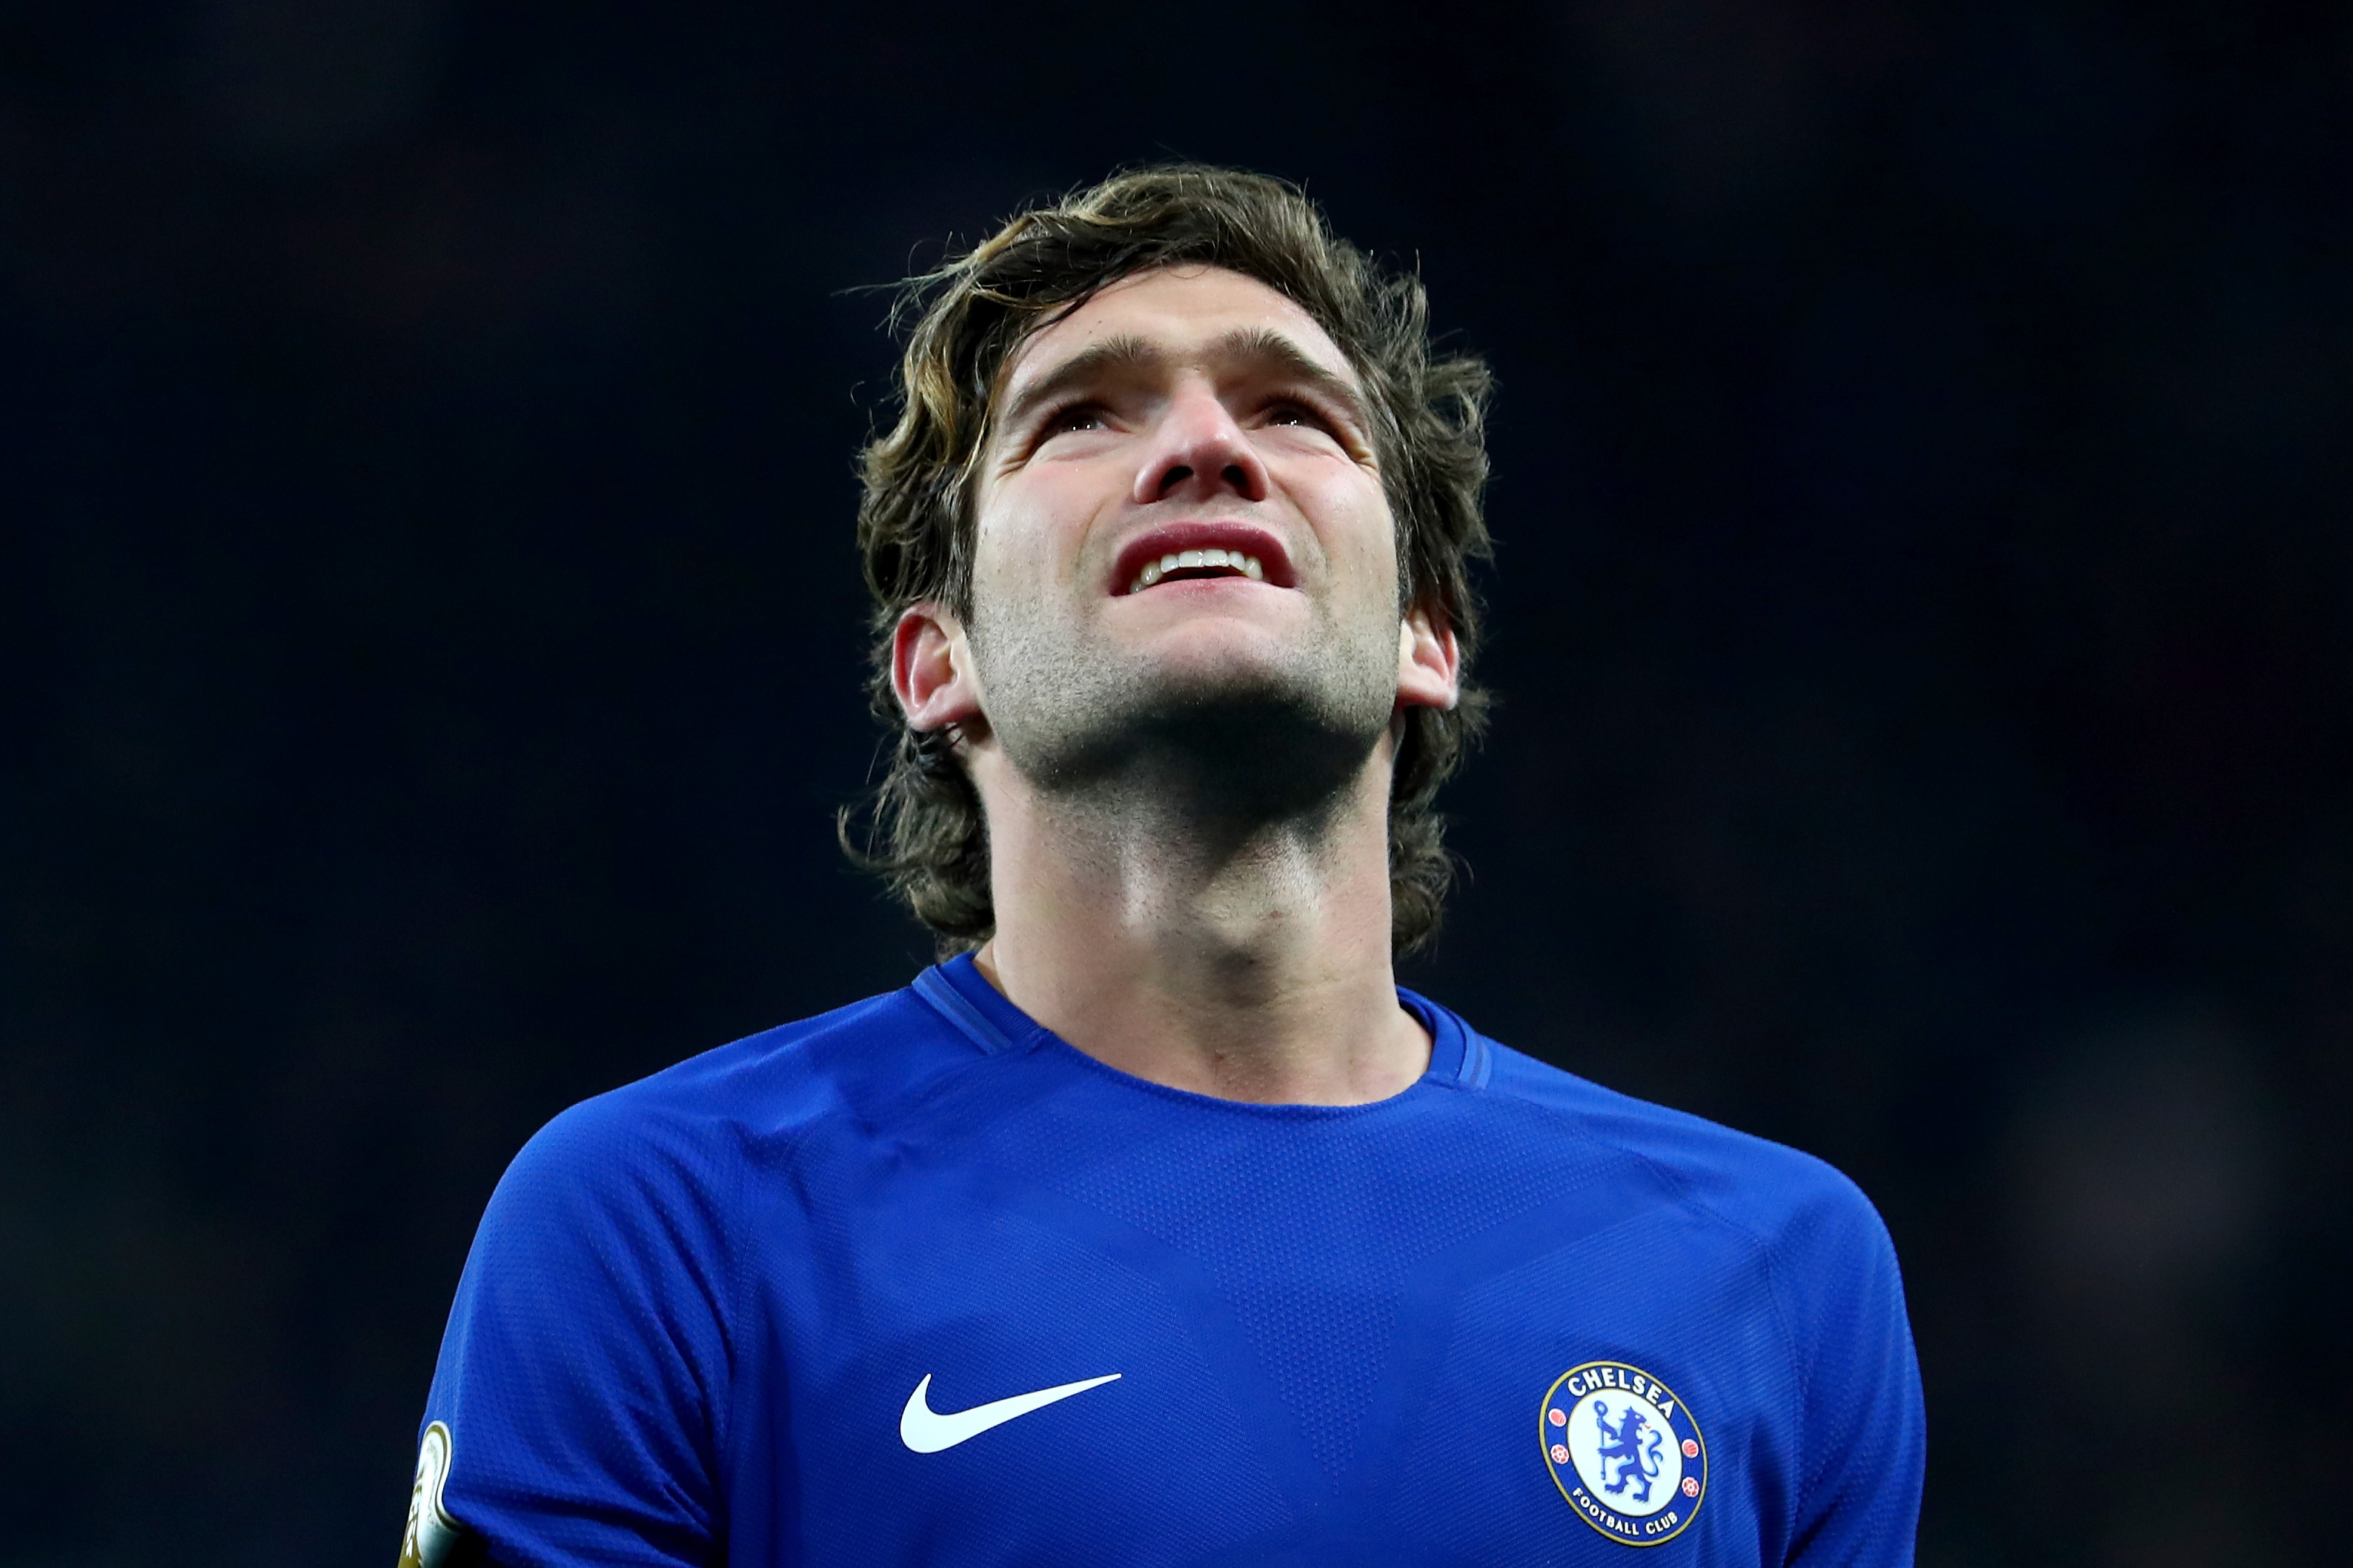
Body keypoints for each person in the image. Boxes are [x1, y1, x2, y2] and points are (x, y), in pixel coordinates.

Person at [397, 165, 1925, 1568]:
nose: (1204, 444)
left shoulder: (1781, 1268)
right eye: (1084, 415)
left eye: (1293, 414)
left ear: (1426, 637)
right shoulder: (659, 1221)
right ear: (938, 661)